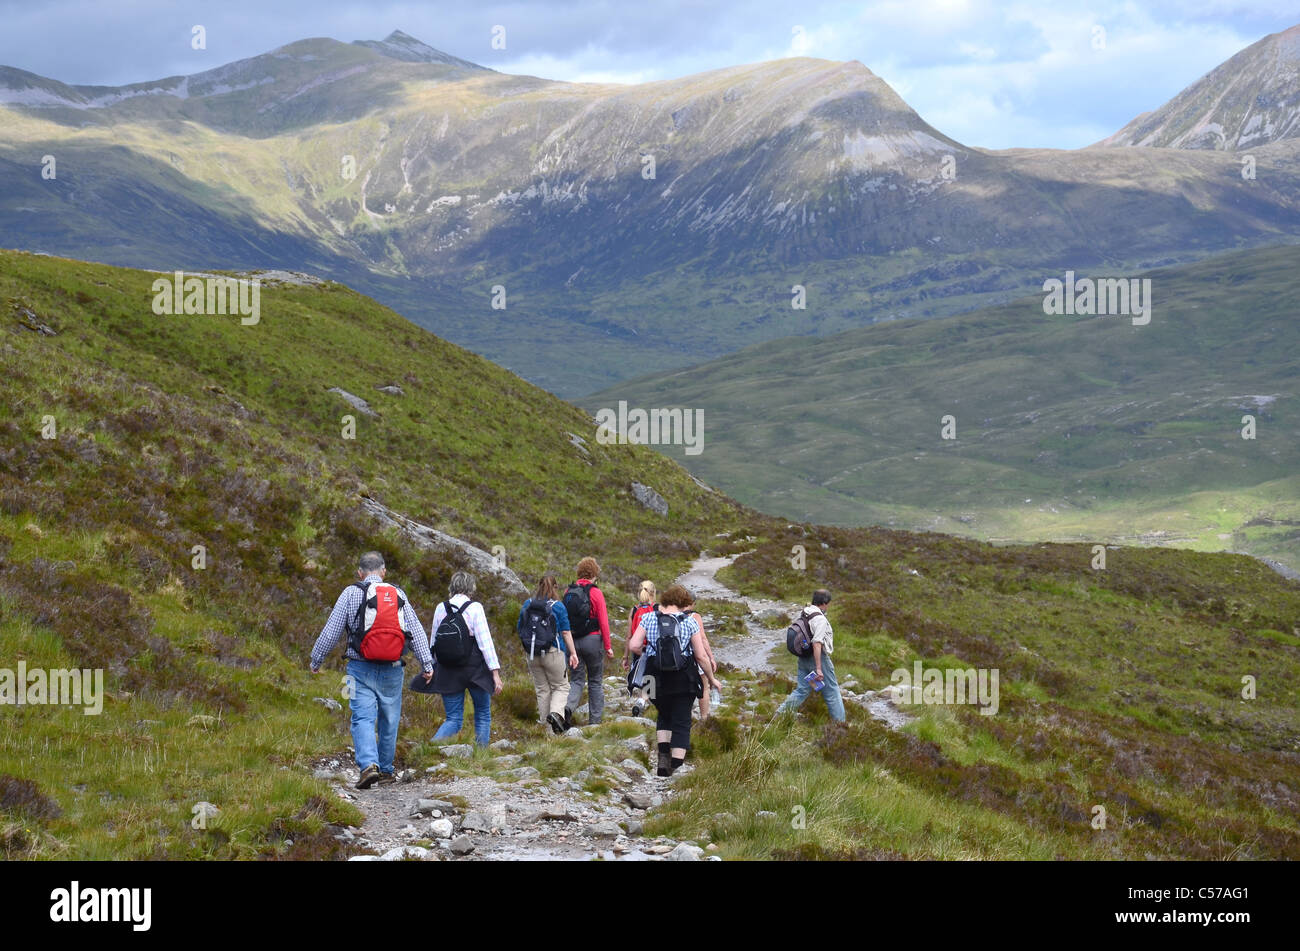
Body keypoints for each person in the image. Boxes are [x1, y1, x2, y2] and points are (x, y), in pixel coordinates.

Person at [310, 551, 434, 789]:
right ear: (383, 571)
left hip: (358, 668)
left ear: (360, 573)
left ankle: (368, 766)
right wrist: (427, 665)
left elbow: (331, 631)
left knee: (362, 717)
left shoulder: (351, 593)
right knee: (389, 719)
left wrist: (317, 660)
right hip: (393, 669)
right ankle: (386, 770)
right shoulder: (397, 594)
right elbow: (416, 631)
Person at [627, 584, 706, 776]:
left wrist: (648, 652)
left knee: (664, 714)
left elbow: (634, 645)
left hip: (654, 675)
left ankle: (663, 761)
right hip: (683, 677)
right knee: (681, 720)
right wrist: (711, 678)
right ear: (683, 603)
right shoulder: (689, 622)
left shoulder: (648, 618)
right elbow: (701, 655)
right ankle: (677, 768)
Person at [429, 571, 503, 747]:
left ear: (452, 587)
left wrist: (430, 667)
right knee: (483, 713)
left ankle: (429, 749)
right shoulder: (475, 607)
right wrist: (495, 673)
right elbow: (485, 642)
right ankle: (481, 757)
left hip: (448, 669)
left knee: (453, 719)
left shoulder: (441, 607)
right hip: (474, 670)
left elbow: (434, 641)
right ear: (471, 588)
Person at [517, 574, 578, 734]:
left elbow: (520, 628)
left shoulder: (527, 604)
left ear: (538, 586)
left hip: (532, 653)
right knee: (561, 687)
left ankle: (547, 731)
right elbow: (565, 632)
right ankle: (556, 715)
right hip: (553, 652)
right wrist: (573, 653)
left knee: (542, 689)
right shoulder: (558, 606)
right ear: (555, 588)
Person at [776, 589, 845, 723]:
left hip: (803, 659)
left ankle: (780, 714)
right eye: (828, 603)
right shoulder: (820, 619)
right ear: (824, 603)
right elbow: (817, 643)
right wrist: (819, 668)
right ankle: (841, 724)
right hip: (817, 659)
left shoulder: (806, 611)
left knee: (802, 690)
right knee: (832, 691)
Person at [563, 557, 613, 727]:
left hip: (572, 643)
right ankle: (595, 723)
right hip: (592, 641)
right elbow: (604, 622)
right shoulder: (595, 592)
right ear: (594, 573)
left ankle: (567, 709)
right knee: (595, 681)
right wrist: (608, 646)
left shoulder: (568, 592)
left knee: (576, 680)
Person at [681, 595, 722, 718]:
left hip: (678, 659)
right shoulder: (695, 616)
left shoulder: (674, 614)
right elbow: (703, 639)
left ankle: (682, 716)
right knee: (704, 687)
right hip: (694, 658)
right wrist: (711, 657)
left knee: (683, 689)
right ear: (692, 602)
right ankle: (704, 718)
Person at [622, 580, 657, 718]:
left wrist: (625, 657)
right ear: (653, 593)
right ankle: (643, 703)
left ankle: (642, 703)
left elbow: (629, 636)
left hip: (637, 650)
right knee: (651, 678)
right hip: (652, 649)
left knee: (641, 675)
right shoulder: (656, 608)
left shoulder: (634, 610)